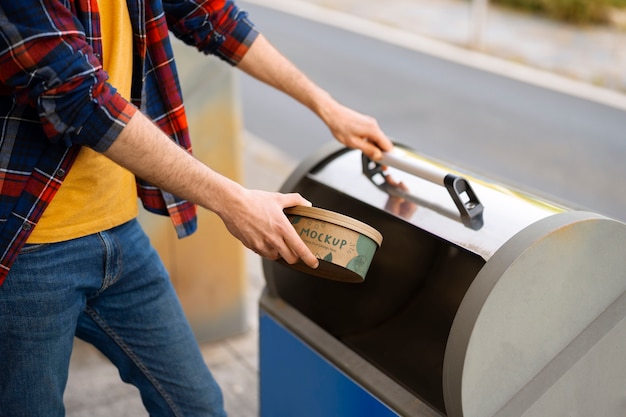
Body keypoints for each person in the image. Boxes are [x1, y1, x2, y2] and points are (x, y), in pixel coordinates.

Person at [0, 0, 393, 416]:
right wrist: (233, 202)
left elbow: (212, 16)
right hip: (27, 249)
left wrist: (326, 106)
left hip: (119, 231)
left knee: (198, 407)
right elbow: (80, 101)